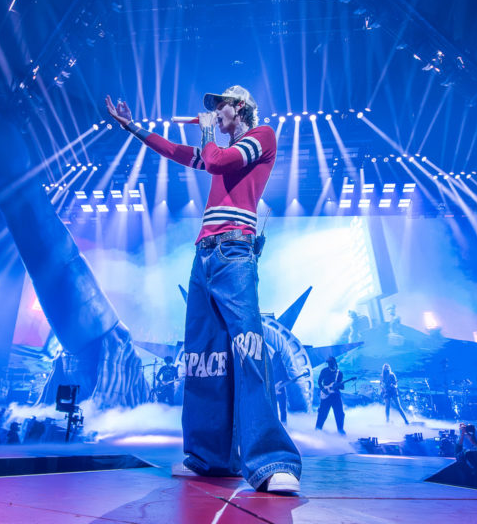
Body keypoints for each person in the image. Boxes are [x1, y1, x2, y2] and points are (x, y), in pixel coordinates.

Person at [105, 85, 301, 494]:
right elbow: (177, 152)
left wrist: (208, 131)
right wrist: (132, 128)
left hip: (235, 250)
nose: (214, 111)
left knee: (248, 348)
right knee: (203, 357)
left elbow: (216, 161)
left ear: (240, 107)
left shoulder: (261, 136)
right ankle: (209, 458)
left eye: (221, 105)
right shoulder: (220, 151)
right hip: (205, 253)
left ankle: (272, 460)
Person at [315, 356, 347, 435]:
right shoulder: (324, 371)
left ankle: (340, 430)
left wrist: (340, 385)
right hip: (326, 396)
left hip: (336, 396)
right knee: (322, 413)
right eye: (328, 363)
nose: (330, 364)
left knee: (339, 413)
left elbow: (341, 386)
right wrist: (323, 389)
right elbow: (319, 382)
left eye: (331, 362)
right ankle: (318, 429)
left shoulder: (339, 373)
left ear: (334, 362)